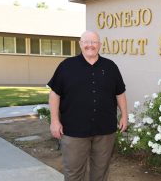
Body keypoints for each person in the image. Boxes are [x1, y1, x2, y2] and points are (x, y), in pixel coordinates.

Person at [47, 30, 128, 181]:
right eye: (87, 42)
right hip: (73, 131)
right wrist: (54, 121)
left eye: (94, 42)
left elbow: (120, 93)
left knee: (101, 172)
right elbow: (54, 94)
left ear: (100, 45)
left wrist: (124, 115)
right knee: (74, 173)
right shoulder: (66, 66)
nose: (90, 45)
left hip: (105, 130)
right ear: (80, 44)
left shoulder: (111, 67)